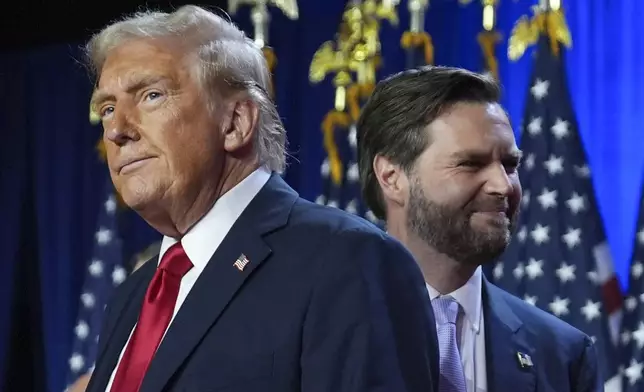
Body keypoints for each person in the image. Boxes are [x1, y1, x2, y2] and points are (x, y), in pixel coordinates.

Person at [83, 5, 439, 392]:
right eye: (107, 108)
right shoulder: (133, 296)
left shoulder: (346, 262)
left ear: (236, 122)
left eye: (151, 95)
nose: (117, 130)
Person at [356, 65, 601, 392]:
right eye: (470, 163)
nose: (503, 185)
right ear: (392, 177)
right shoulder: (319, 332)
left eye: (510, 165)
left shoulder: (564, 356)